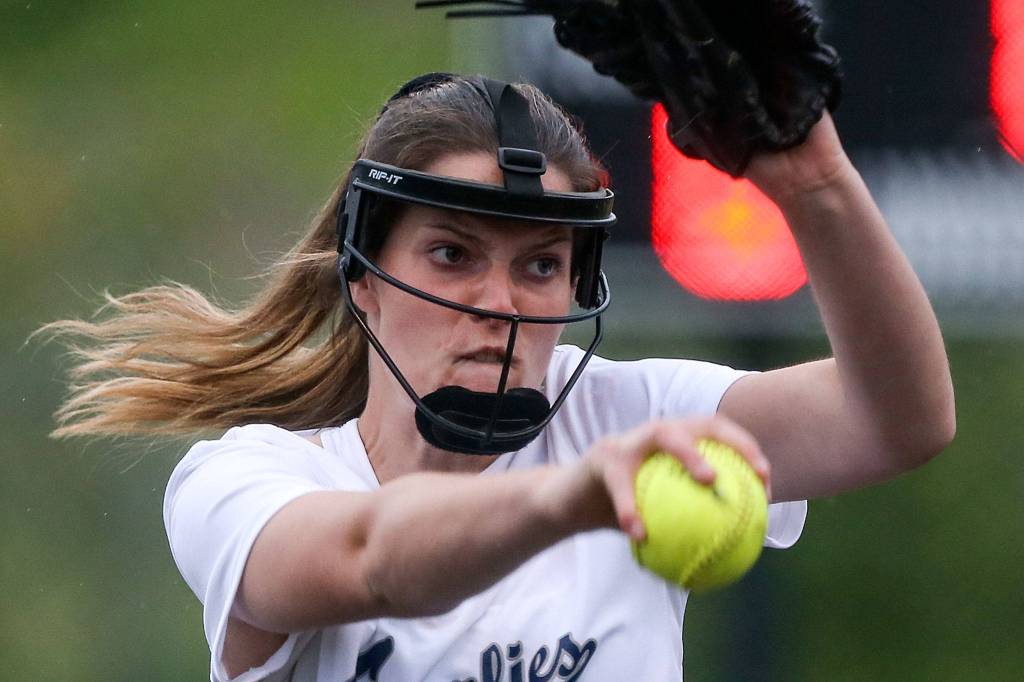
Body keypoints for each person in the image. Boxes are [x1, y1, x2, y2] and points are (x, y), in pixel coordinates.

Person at [41, 73, 955, 681]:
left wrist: (815, 181)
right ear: (362, 272)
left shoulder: (627, 417)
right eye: (451, 253)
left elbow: (899, 420)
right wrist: (577, 499)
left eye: (541, 265)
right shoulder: (247, 478)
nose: (501, 301)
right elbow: (372, 561)